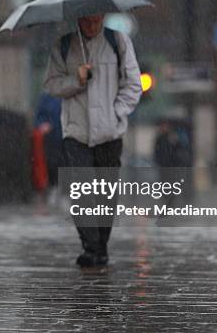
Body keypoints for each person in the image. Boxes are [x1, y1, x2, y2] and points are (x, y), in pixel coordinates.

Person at [44, 14, 142, 267]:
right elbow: (52, 85)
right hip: (76, 132)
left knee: (106, 194)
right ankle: (90, 246)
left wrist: (116, 112)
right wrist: (76, 80)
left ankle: (101, 244)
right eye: (87, 21)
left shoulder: (117, 41)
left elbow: (133, 84)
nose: (92, 26)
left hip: (110, 134)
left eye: (96, 21)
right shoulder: (64, 46)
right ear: (78, 20)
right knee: (82, 191)